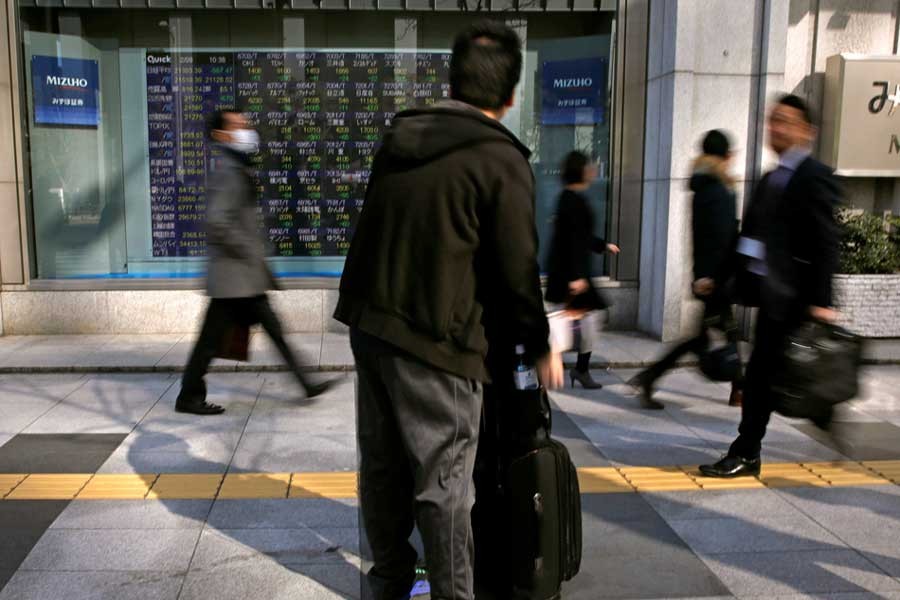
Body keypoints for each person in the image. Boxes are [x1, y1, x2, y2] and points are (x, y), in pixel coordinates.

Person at [334, 21, 563, 600]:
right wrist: (539, 346)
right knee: (445, 483)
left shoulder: (400, 137)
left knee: (384, 468)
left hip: (371, 324)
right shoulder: (497, 158)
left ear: (452, 79)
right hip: (438, 338)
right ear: (510, 96)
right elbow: (516, 272)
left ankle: (387, 578)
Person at [700, 94, 841, 478]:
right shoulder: (769, 178)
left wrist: (822, 301)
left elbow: (826, 240)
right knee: (765, 376)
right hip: (769, 297)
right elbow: (748, 237)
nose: (776, 128)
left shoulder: (814, 176)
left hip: (795, 300)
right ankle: (751, 448)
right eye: (772, 120)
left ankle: (755, 447)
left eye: (785, 121)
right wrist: (721, 277)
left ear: (806, 131)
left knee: (770, 376)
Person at [176, 109, 334, 415]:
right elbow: (216, 221)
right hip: (233, 277)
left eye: (247, 124)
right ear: (221, 136)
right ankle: (189, 396)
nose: (248, 130)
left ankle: (305, 382)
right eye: (239, 126)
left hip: (241, 277)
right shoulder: (227, 172)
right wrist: (247, 247)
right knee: (211, 342)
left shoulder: (236, 168)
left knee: (269, 329)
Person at [628, 130, 743, 409]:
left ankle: (738, 388)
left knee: (711, 336)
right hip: (716, 277)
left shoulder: (707, 186)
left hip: (712, 275)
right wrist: (709, 276)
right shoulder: (717, 189)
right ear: (726, 156)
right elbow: (715, 237)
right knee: (713, 336)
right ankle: (738, 388)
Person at [544, 150, 620, 389]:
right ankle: (566, 365)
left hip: (572, 272)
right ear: (580, 171)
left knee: (584, 321)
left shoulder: (571, 198)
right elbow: (572, 240)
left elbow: (581, 236)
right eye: (589, 166)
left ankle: (578, 368)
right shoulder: (572, 200)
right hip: (572, 274)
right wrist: (576, 276)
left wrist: (602, 245)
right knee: (574, 321)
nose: (593, 170)